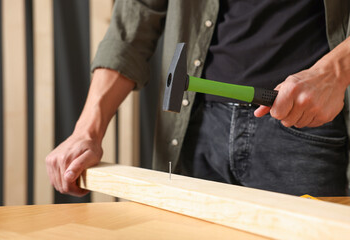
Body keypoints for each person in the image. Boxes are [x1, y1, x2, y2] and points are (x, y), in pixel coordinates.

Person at [46, 0, 350, 197]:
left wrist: (337, 70)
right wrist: (86, 131)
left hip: (306, 125)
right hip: (195, 127)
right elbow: (135, 14)